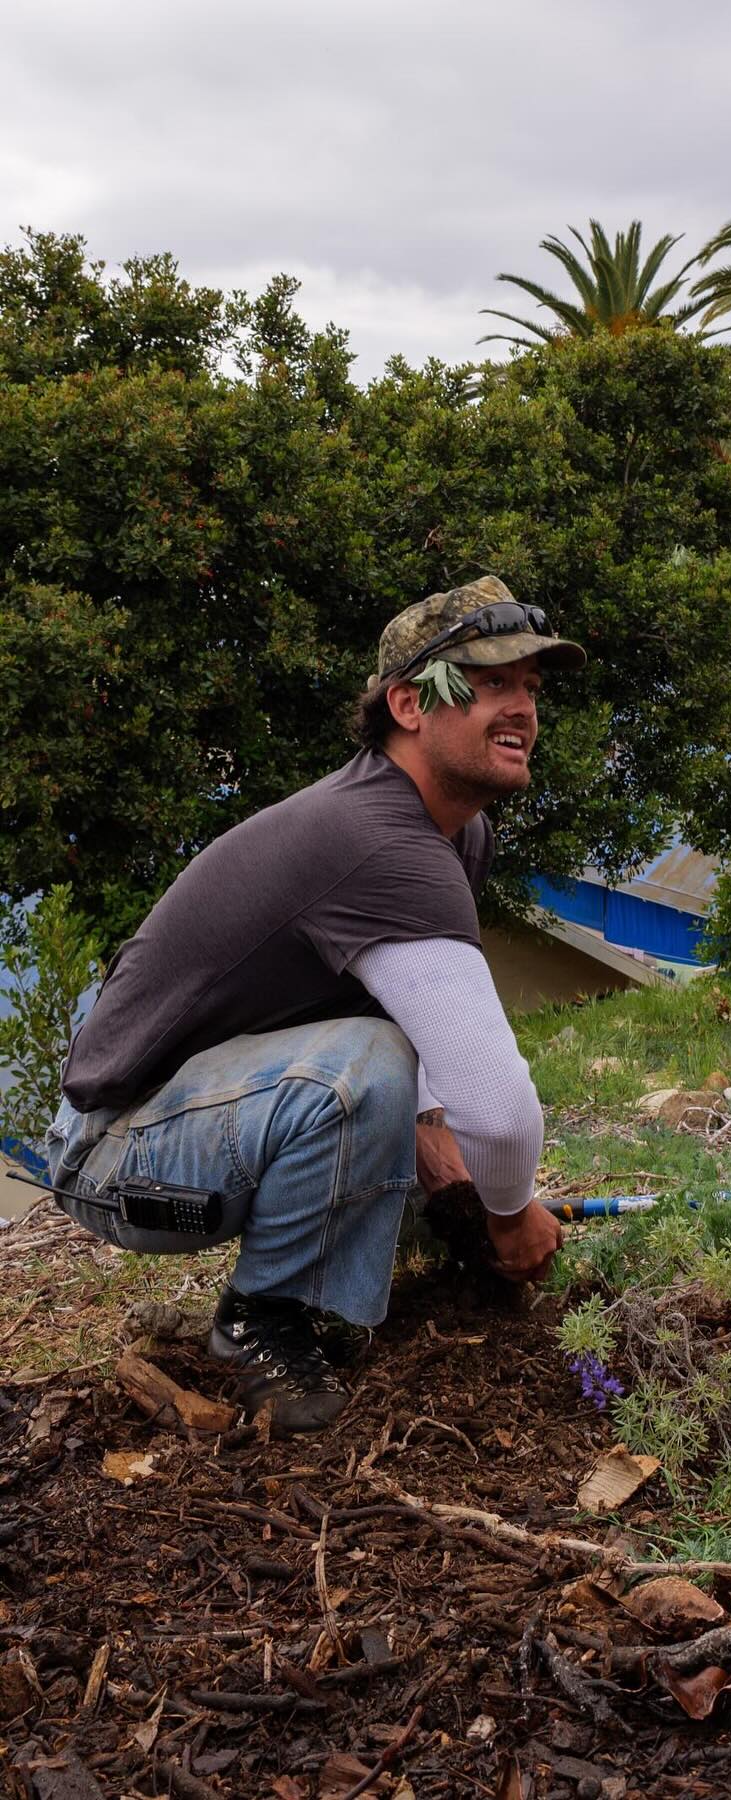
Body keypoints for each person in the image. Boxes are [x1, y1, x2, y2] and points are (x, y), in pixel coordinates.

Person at [46, 578, 581, 1432]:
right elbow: (499, 1108)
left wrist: (444, 1153)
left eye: (530, 686)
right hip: (115, 1158)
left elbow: (423, 1026)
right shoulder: (378, 841)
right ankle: (262, 1318)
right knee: (371, 1072)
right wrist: (511, 1217)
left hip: (210, 1111)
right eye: (490, 684)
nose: (522, 707)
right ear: (408, 704)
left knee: (402, 1089)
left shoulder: (452, 829)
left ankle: (330, 1298)